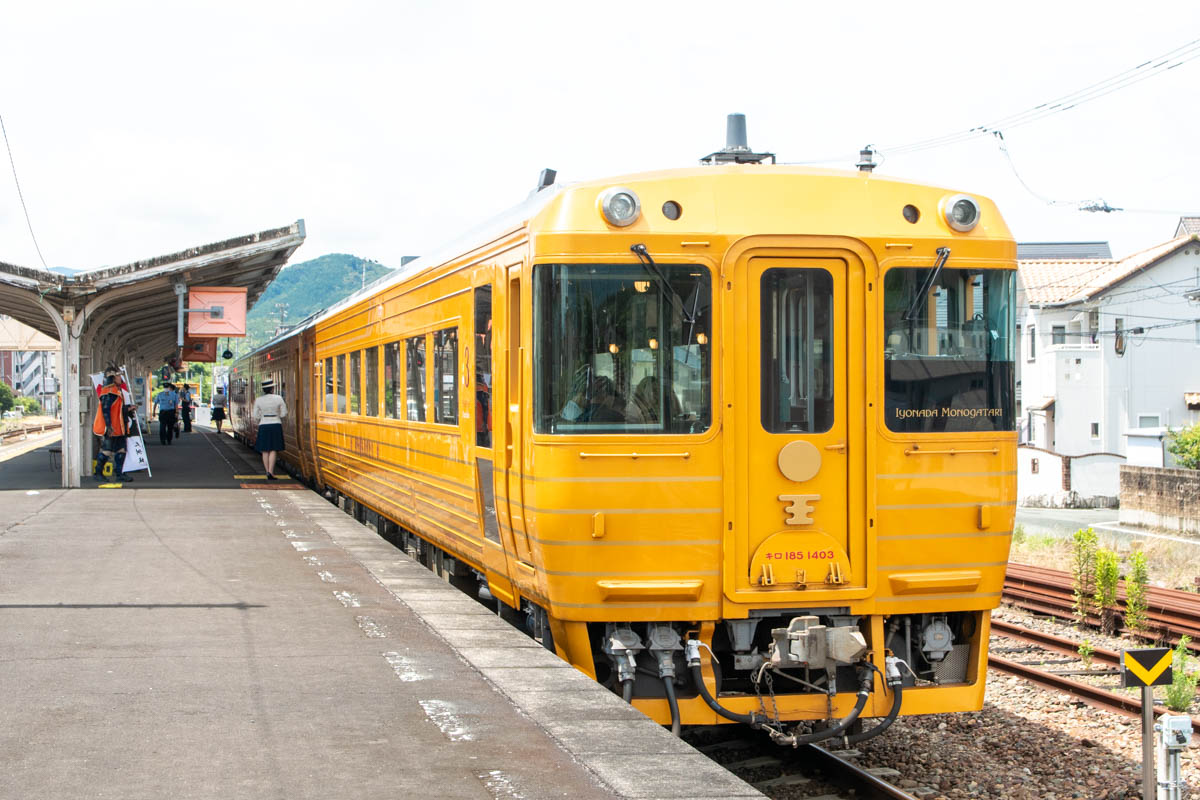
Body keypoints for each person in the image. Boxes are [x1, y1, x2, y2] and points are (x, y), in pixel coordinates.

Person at [92, 367, 135, 482]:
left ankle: (119, 474)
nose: (121, 378)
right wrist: (108, 426)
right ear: (112, 378)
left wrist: (129, 409)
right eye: (118, 376)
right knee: (107, 450)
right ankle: (98, 473)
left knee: (121, 450)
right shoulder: (108, 392)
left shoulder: (117, 390)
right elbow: (106, 410)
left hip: (120, 426)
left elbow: (118, 409)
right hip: (112, 427)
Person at [252, 379, 288, 479]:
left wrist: (262, 416)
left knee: (265, 450)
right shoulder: (279, 398)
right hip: (276, 424)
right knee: (273, 449)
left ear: (263, 389)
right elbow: (284, 413)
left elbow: (255, 415)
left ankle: (267, 471)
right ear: (272, 388)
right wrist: (277, 415)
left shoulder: (259, 400)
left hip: (263, 424)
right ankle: (271, 472)